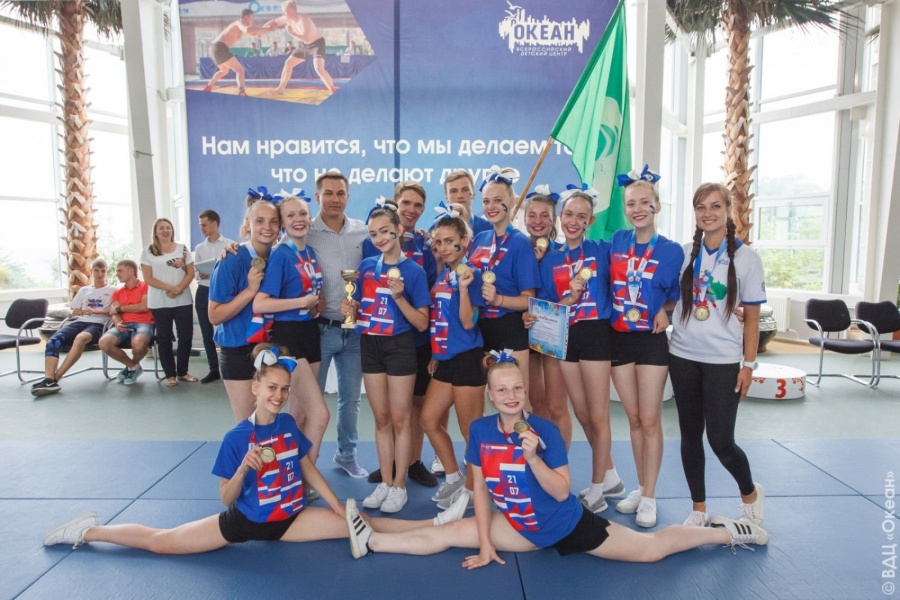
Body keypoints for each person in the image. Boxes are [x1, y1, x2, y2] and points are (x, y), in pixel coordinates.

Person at [346, 354, 769, 563]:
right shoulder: (480, 432)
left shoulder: (544, 432)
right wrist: (488, 542)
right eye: (502, 390)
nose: (511, 396)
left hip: (567, 525)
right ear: (490, 395)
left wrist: (533, 459)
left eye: (517, 388)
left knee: (651, 550)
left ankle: (727, 532)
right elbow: (481, 490)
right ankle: (373, 539)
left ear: (524, 392)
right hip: (519, 529)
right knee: (452, 532)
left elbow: (563, 492)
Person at [43, 344, 458, 553]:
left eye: (284, 389)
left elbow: (307, 467)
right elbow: (225, 497)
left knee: (364, 522)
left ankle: (440, 526)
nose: (279, 395)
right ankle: (88, 530)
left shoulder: (288, 425)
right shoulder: (236, 438)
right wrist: (243, 468)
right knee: (162, 542)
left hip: (291, 520)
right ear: (256, 387)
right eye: (271, 387)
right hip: (243, 522)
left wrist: (336, 505)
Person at [669, 182, 767, 528]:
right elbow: (670, 298)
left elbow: (752, 318)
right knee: (689, 436)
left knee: (721, 441)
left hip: (723, 361)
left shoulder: (747, 258)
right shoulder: (684, 254)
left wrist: (748, 364)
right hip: (682, 355)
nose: (707, 213)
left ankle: (749, 493)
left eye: (715, 206)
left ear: (728, 210)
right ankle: (698, 508)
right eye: (701, 207)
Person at [531, 188, 624, 515]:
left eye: (581, 216)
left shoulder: (602, 250)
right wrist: (554, 305)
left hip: (596, 334)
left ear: (590, 221)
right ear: (560, 217)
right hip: (567, 337)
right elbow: (546, 303)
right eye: (569, 214)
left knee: (598, 415)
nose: (573, 221)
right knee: (582, 413)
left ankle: (597, 489)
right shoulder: (550, 259)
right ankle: (610, 478)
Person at [341, 199, 431, 513]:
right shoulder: (367, 267)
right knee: (381, 419)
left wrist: (400, 297)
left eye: (385, 231)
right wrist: (351, 308)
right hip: (370, 345)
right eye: (373, 233)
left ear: (399, 230)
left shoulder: (414, 271)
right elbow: (363, 308)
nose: (379, 238)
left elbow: (422, 322)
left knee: (401, 419)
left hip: (400, 346)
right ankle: (386, 481)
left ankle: (400, 485)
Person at [608, 166, 684, 528]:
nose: (637, 209)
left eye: (644, 202)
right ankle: (640, 487)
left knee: (651, 420)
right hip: (619, 338)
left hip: (651, 341)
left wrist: (666, 310)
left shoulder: (671, 251)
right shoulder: (616, 242)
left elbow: (676, 296)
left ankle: (651, 496)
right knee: (634, 419)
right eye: (630, 204)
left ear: (657, 205)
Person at [363, 182, 439, 489]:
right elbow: (365, 293)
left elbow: (429, 294)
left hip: (413, 339)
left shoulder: (424, 246)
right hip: (378, 338)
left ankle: (412, 463)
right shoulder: (370, 251)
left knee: (412, 406)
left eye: (418, 205)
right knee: (385, 414)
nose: (411, 209)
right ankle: (390, 467)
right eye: (406, 202)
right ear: (396, 204)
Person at [253, 193, 329, 471]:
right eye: (291, 215)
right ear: (282, 223)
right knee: (320, 415)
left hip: (310, 332)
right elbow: (261, 303)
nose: (299, 219)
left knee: (300, 415)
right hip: (289, 338)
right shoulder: (281, 255)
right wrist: (300, 302)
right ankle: (305, 478)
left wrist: (314, 306)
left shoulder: (309, 252)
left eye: (303, 213)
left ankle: (289, 473)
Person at [421, 211, 487, 514]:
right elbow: (441, 319)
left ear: (465, 241)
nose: (444, 247)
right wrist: (436, 353)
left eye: (450, 241)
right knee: (428, 420)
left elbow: (468, 322)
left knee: (470, 431)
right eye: (439, 242)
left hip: (468, 359)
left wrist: (462, 288)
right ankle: (453, 478)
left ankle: (473, 490)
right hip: (446, 359)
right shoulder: (444, 274)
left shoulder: (471, 274)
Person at [307, 169, 369, 479]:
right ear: (317, 196)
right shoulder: (306, 232)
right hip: (319, 329)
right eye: (328, 193)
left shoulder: (363, 231)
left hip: (354, 330)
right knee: (312, 401)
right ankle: (307, 462)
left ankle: (347, 454)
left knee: (351, 399)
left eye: (340, 193)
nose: (335, 199)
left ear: (348, 196)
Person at [209, 198, 281, 421]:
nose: (267, 227)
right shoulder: (231, 259)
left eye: (273, 221)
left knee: (268, 421)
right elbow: (214, 315)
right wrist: (249, 291)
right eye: (260, 221)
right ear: (248, 224)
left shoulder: (279, 258)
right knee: (249, 423)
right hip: (238, 350)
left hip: (270, 349)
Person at [468, 166, 540, 387]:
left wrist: (498, 299)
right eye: (486, 201)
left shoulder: (520, 243)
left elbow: (528, 299)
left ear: (511, 201)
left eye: (498, 200)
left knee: (517, 394)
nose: (491, 207)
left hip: (510, 328)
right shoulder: (479, 239)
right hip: (482, 328)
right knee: (493, 395)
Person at [520, 186, 571, 448]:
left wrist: (542, 263)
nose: (537, 221)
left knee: (557, 406)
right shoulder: (518, 250)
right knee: (536, 403)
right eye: (532, 215)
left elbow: (567, 295)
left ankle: (561, 461)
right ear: (524, 218)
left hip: (552, 334)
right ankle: (542, 453)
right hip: (526, 331)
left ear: (554, 220)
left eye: (544, 216)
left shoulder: (562, 253)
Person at [31, 258, 114, 397]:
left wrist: (96, 311)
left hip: (99, 324)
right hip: (79, 322)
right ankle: (49, 379)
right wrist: (75, 312)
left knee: (81, 338)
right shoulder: (84, 290)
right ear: (91, 272)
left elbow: (115, 312)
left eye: (103, 271)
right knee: (53, 341)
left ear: (107, 272)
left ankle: (55, 379)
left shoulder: (113, 290)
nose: (100, 274)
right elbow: (74, 310)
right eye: (97, 271)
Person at [141, 218, 197, 387]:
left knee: (185, 336)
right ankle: (170, 375)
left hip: (183, 300)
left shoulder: (182, 249)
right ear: (156, 232)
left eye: (168, 228)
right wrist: (171, 288)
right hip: (159, 302)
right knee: (164, 338)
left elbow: (190, 273)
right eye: (161, 228)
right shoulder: (148, 251)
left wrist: (179, 288)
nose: (165, 231)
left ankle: (183, 372)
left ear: (172, 230)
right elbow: (148, 278)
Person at [98, 260, 154, 385]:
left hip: (144, 323)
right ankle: (133, 367)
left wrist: (120, 308)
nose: (117, 274)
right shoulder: (117, 292)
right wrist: (117, 323)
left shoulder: (146, 286)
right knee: (104, 342)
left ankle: (131, 367)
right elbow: (114, 312)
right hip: (124, 324)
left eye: (120, 270)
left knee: (139, 344)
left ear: (131, 271)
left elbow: (144, 307)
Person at [194, 210, 233, 384]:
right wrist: (201, 274)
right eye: (200, 225)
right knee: (206, 332)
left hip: (223, 291)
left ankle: (229, 366)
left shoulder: (230, 244)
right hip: (204, 290)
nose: (201, 228)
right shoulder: (199, 248)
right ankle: (213, 369)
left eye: (204, 224)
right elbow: (196, 274)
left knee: (227, 329)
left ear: (214, 223)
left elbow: (233, 271)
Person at [265, 1, 337, 94]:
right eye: (283, 11)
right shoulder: (287, 18)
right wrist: (261, 30)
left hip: (317, 43)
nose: (284, 13)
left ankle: (332, 89)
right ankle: (280, 89)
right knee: (288, 63)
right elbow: (274, 22)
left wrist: (292, 33)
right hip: (304, 45)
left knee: (319, 68)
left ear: (293, 9)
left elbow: (306, 37)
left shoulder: (303, 19)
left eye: (285, 11)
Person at [203, 9, 271, 96]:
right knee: (240, 69)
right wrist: (266, 28)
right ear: (246, 17)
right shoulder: (238, 23)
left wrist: (259, 33)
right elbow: (248, 30)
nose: (252, 20)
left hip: (214, 49)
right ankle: (241, 90)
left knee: (224, 70)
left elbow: (252, 32)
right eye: (251, 18)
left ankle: (208, 86)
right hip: (219, 47)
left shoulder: (240, 27)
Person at [443, 169, 491, 238]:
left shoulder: (489, 229)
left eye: (465, 190)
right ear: (446, 197)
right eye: (453, 191)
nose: (460, 196)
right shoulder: (438, 230)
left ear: (473, 194)